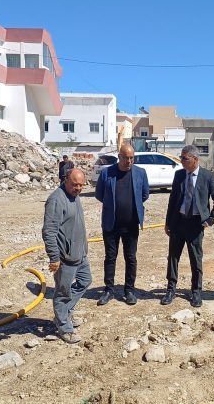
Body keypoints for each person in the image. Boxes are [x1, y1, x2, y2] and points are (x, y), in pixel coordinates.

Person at [161, 145, 214, 307]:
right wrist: (168, 222)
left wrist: (210, 220)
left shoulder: (208, 176)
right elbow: (172, 200)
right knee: (173, 257)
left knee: (196, 259)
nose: (181, 161)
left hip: (196, 224)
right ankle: (170, 289)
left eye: (185, 158)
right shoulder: (179, 175)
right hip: (178, 222)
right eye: (181, 157)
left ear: (195, 159)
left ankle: (196, 291)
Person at [95, 144, 150, 306]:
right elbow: (99, 194)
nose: (129, 161)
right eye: (126, 158)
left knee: (131, 258)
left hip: (131, 225)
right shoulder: (107, 173)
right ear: (119, 157)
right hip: (111, 224)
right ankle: (108, 290)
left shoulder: (140, 173)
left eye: (132, 158)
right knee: (110, 257)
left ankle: (129, 290)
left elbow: (144, 194)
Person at [42, 168, 92, 344]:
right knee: (63, 292)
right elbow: (49, 231)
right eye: (74, 184)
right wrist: (54, 257)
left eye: (81, 185)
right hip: (65, 258)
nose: (78, 188)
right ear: (65, 180)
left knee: (85, 281)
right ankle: (64, 327)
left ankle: (64, 314)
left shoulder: (75, 196)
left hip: (79, 253)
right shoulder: (57, 199)